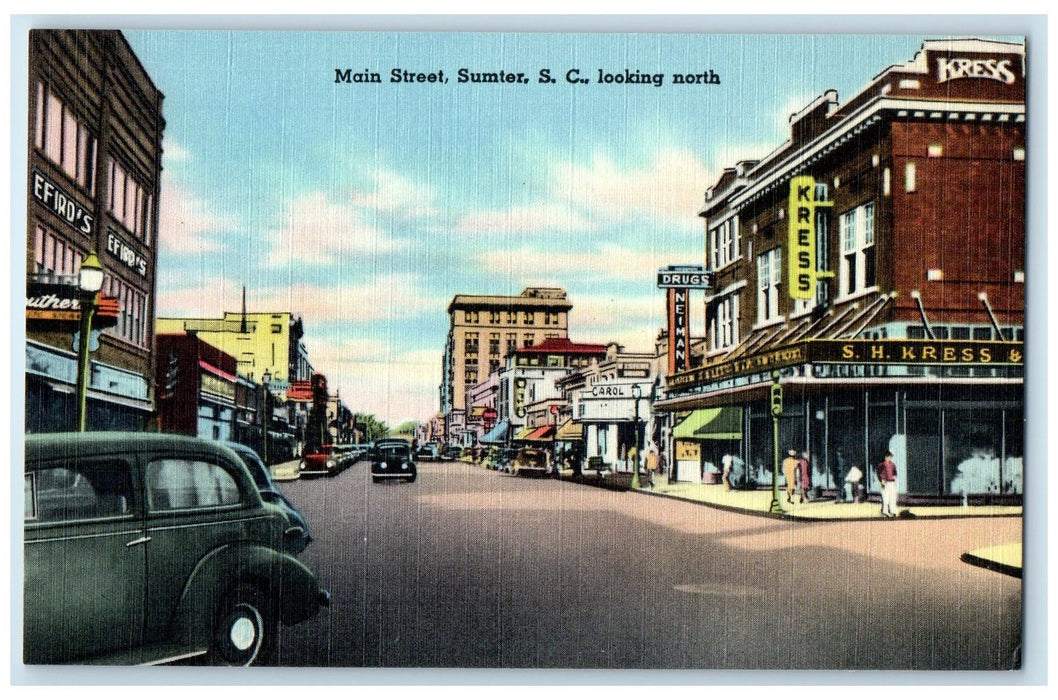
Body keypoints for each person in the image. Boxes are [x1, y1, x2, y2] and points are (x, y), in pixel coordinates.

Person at [876, 451, 899, 517]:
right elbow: (878, 473)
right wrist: (881, 480)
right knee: (885, 498)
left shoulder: (893, 464)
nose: (889, 458)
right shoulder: (881, 464)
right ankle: (885, 511)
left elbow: (895, 473)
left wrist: (895, 482)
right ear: (885, 457)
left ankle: (893, 511)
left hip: (892, 482)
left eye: (890, 457)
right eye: (888, 457)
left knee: (893, 497)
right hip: (885, 482)